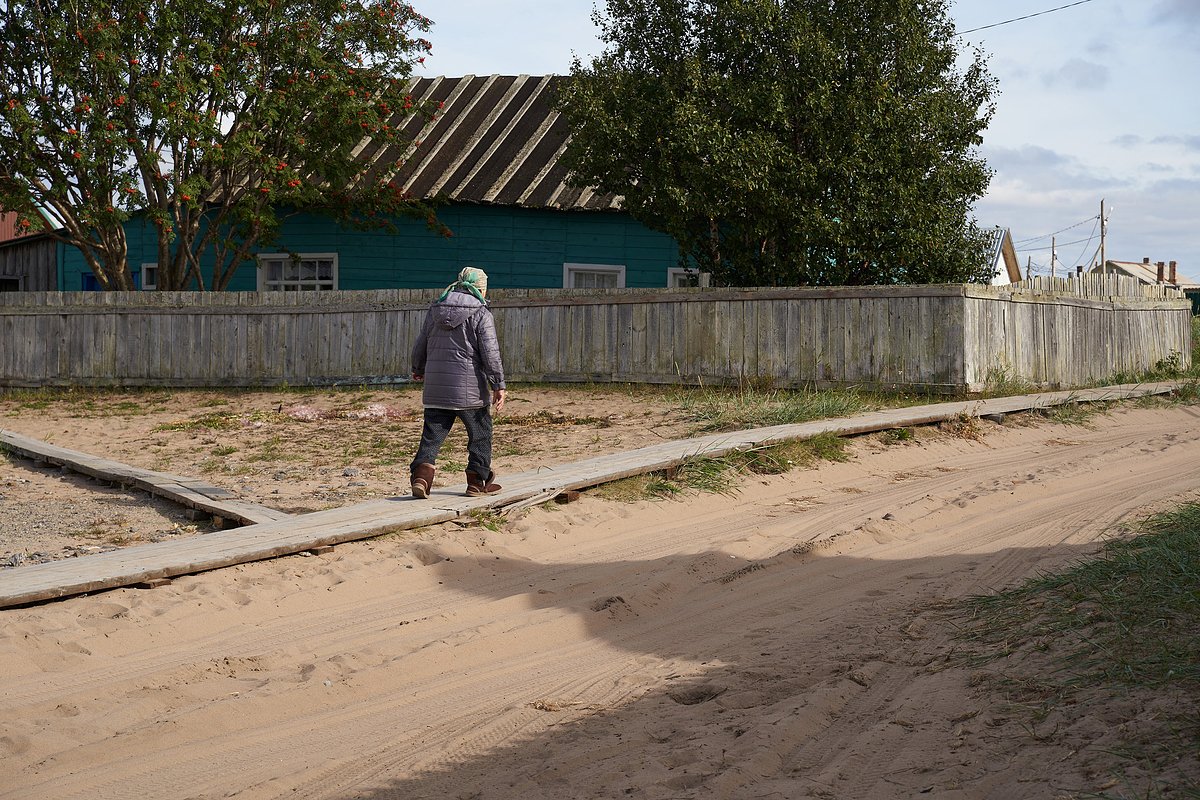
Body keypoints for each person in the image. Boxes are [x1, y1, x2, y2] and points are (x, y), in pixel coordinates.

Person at [409, 266, 507, 498]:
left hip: (436, 388)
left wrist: (418, 368)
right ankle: (476, 481)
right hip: (470, 390)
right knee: (480, 434)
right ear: (480, 288)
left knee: (432, 435)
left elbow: (421, 342)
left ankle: (422, 477)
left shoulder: (435, 310)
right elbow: (490, 353)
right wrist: (498, 385)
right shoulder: (481, 313)